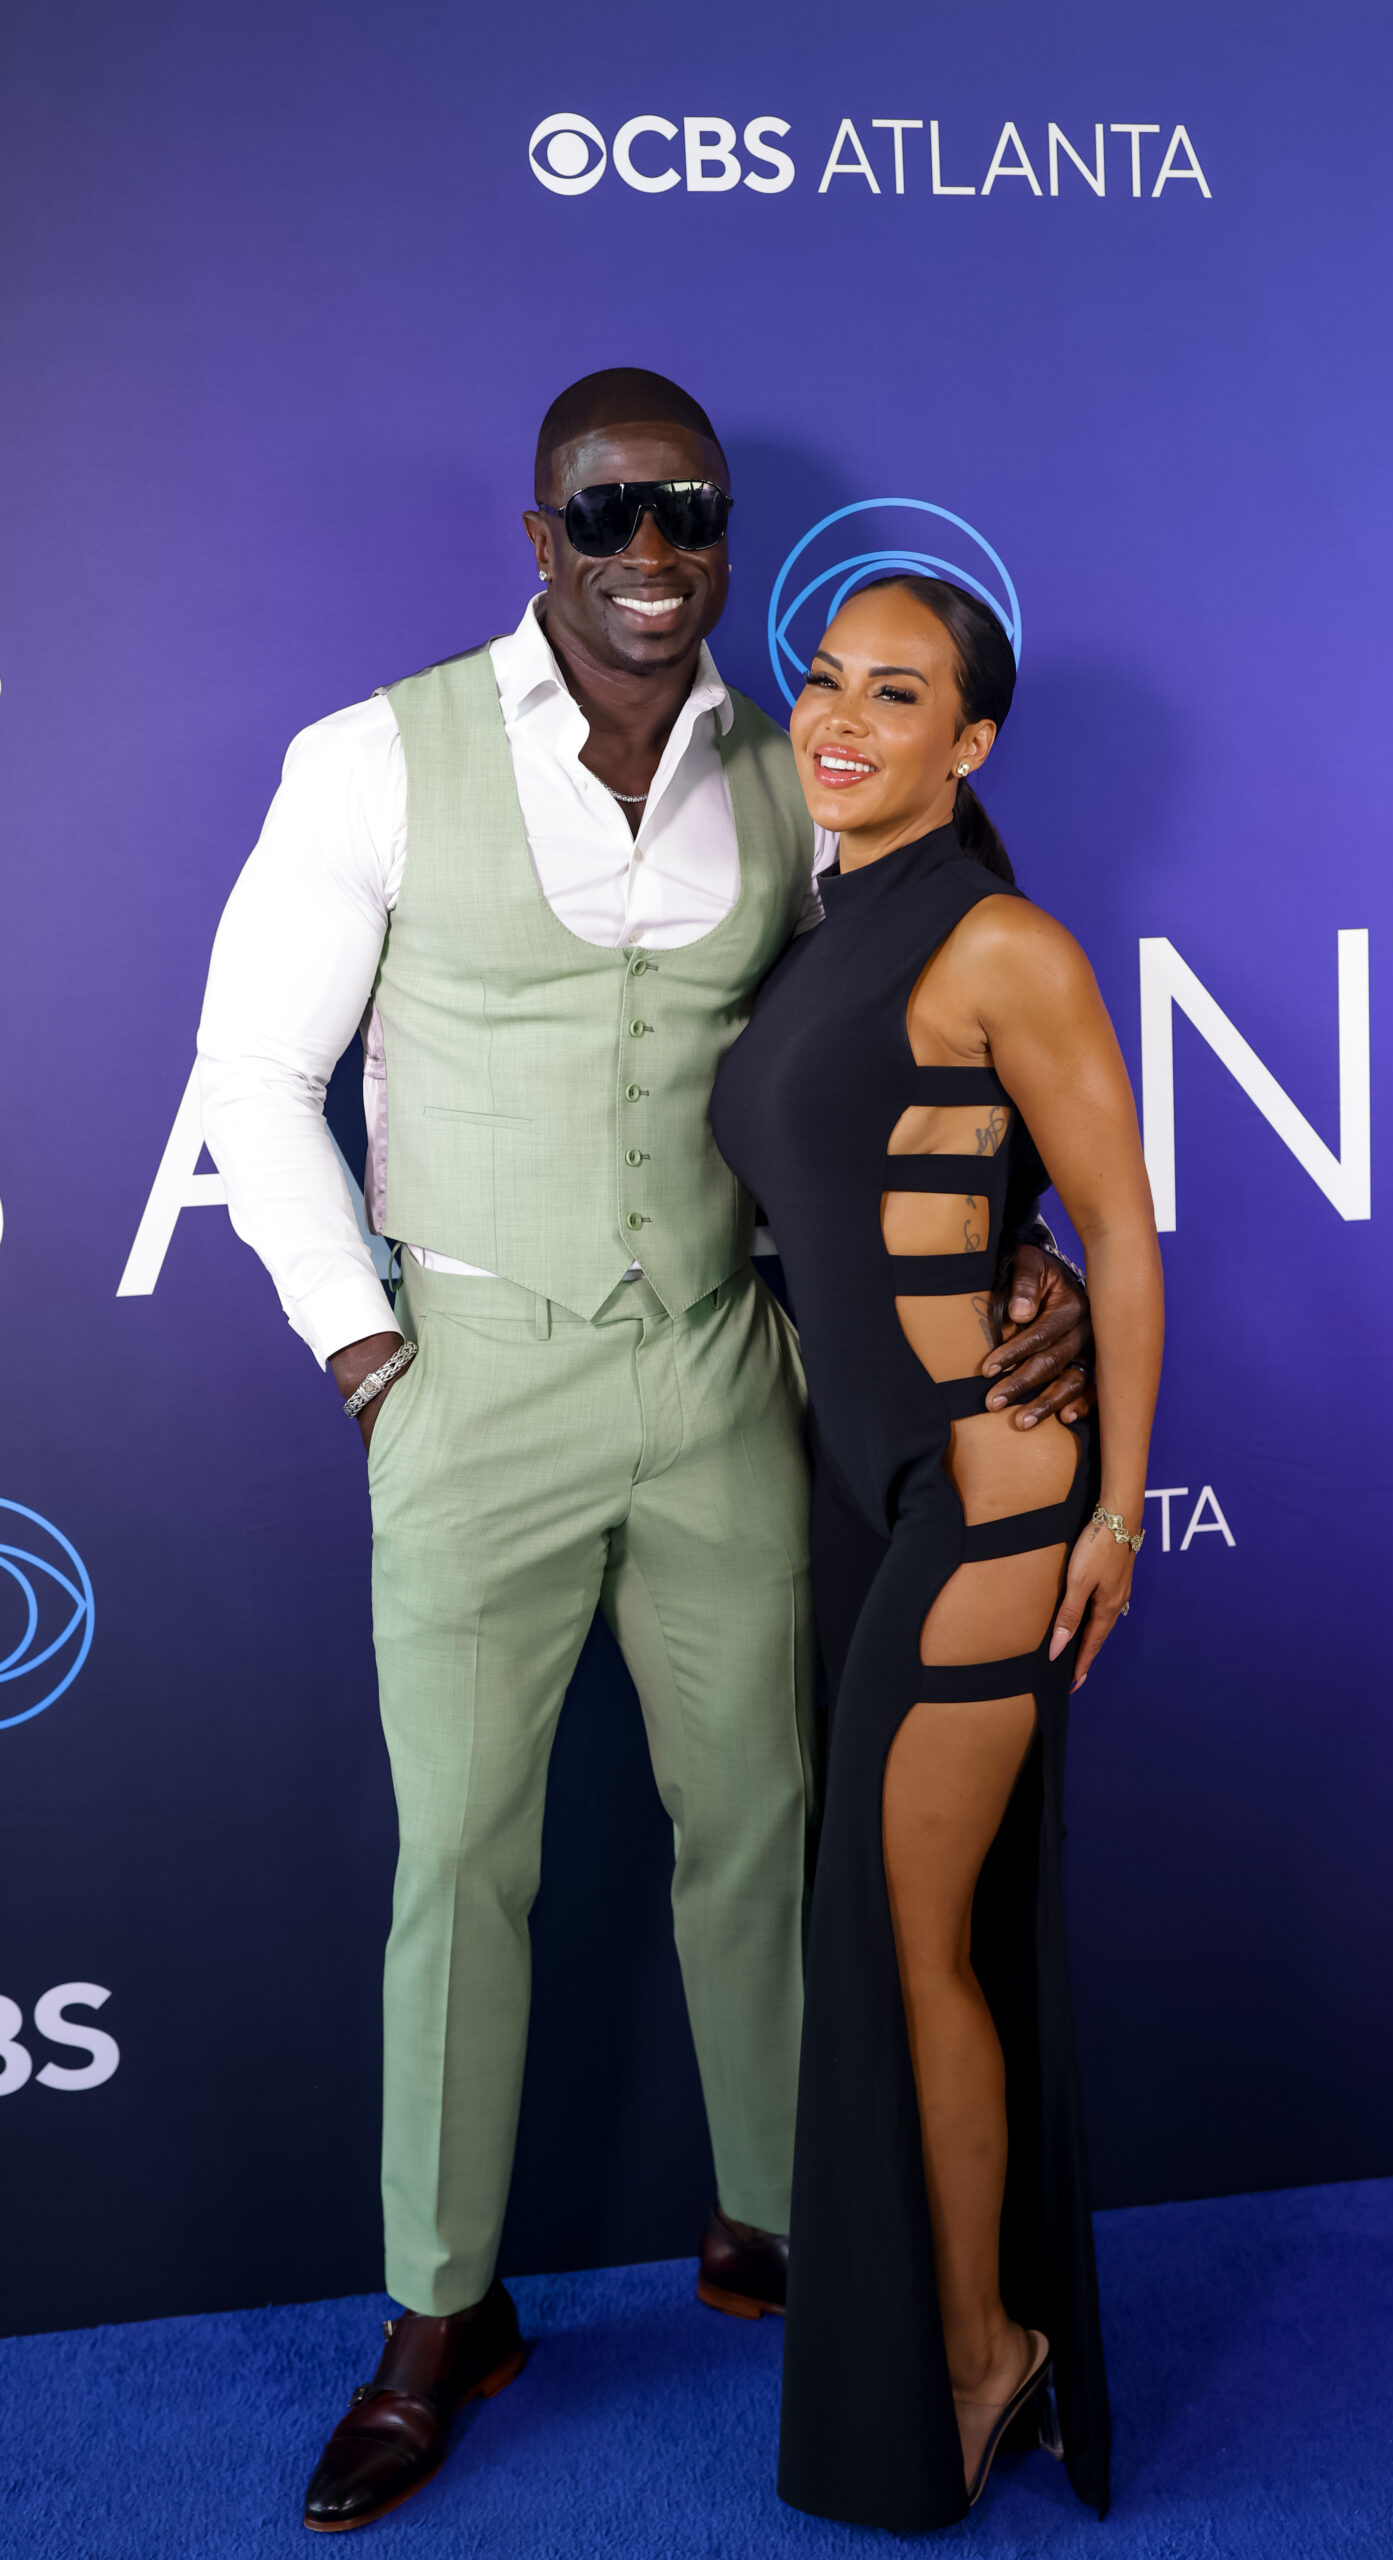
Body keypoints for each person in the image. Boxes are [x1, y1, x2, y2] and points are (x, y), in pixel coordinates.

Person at [196, 369, 1094, 2534]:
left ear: (721, 537)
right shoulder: (372, 757)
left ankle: (791, 2222)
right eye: (605, 513)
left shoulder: (799, 773)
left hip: (719, 1376)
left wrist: (1023, 1242)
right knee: (459, 1860)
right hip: (469, 1375)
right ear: (541, 535)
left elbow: (901, 1047)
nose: (649, 551)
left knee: (765, 1824)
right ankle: (441, 2314)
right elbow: (252, 1072)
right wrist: (369, 1356)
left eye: (686, 512)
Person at [712, 575, 1165, 2529]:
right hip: (863, 1493)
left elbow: (1118, 1230)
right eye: (825, 681)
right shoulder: (821, 920)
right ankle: (967, 2332)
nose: (840, 719)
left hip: (988, 1504)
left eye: (895, 696)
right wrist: (1012, 1254)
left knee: (907, 1946)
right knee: (903, 1940)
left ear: (969, 743)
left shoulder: (1000, 940)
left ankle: (986, 2352)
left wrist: (1120, 1505)